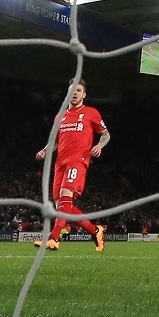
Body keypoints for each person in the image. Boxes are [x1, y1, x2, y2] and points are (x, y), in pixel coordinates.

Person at [34, 78, 110, 251]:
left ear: (84, 94)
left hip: (78, 160)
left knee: (65, 195)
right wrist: (45, 151)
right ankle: (95, 230)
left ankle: (53, 238)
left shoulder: (91, 113)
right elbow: (55, 141)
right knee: (62, 205)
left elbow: (106, 135)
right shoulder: (59, 116)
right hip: (60, 162)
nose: (74, 93)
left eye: (78, 91)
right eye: (71, 91)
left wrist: (99, 145)